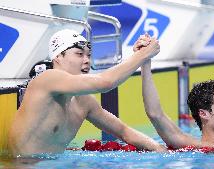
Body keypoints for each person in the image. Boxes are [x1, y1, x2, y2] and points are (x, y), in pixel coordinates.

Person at [8, 29, 166, 157]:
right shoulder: (47, 79)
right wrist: (143, 54)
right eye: (79, 54)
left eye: (88, 55)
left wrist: (161, 151)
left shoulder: (83, 102)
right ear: (57, 57)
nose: (86, 60)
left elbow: (124, 131)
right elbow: (106, 82)